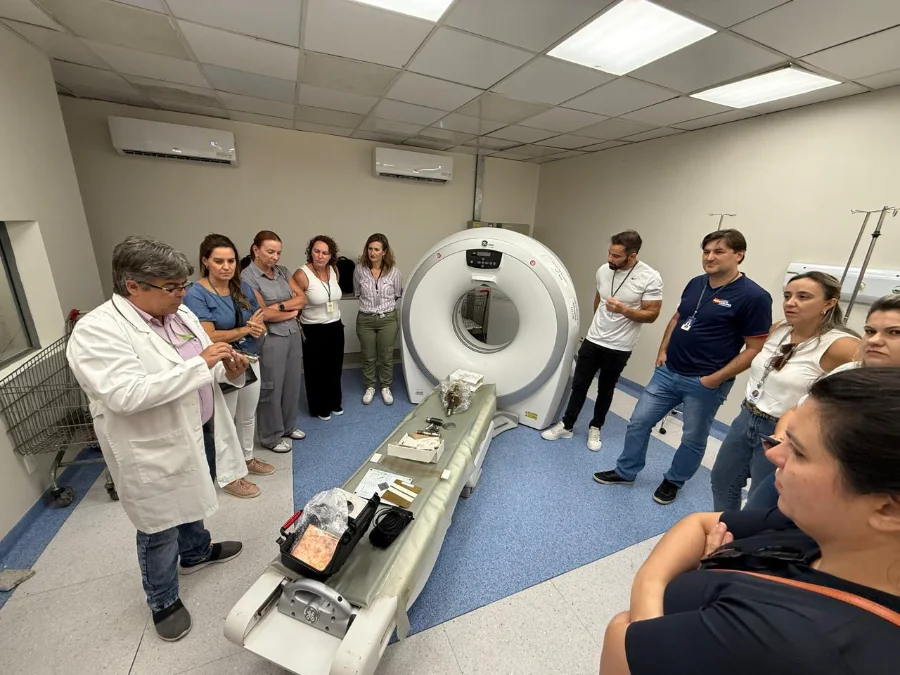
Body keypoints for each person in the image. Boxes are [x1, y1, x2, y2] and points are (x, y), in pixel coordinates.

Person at [599, 367, 900, 675]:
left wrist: (651, 625)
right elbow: (699, 524)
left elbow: (620, 635)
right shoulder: (821, 530)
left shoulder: (782, 638)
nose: (774, 454)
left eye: (799, 451)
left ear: (887, 510)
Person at [66, 236, 248, 642]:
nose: (183, 293)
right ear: (133, 285)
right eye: (172, 287)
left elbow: (205, 366)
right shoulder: (96, 331)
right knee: (159, 523)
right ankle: (163, 599)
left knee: (193, 492)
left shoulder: (178, 314)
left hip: (196, 425)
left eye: (182, 284)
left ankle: (197, 552)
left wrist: (228, 369)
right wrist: (201, 366)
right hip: (151, 444)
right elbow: (124, 394)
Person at [594, 229, 772, 505]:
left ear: (739, 255)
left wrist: (715, 379)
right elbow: (678, 318)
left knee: (693, 437)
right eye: (706, 251)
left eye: (718, 251)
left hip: (705, 380)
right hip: (668, 371)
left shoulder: (754, 297)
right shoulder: (696, 283)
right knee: (638, 422)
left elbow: (754, 348)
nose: (709, 257)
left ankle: (673, 480)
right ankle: (626, 470)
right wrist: (663, 349)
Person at [709, 272, 858, 511]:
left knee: (762, 498)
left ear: (829, 303)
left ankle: (748, 544)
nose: (790, 302)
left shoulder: (841, 345)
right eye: (787, 296)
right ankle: (728, 529)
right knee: (722, 480)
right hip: (747, 416)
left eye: (803, 297)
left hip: (783, 431)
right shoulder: (779, 329)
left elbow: (866, 387)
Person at [745, 293, 900, 510]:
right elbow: (799, 409)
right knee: (750, 516)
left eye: (894, 332)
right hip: (797, 467)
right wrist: (783, 438)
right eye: (870, 331)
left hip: (845, 499)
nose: (874, 340)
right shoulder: (848, 371)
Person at [542, 230, 662, 450]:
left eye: (616, 256)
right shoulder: (603, 271)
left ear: (632, 256)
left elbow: (652, 314)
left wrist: (624, 310)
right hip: (593, 340)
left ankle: (596, 427)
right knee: (579, 385)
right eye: (609, 253)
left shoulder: (650, 277)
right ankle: (567, 426)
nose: (610, 259)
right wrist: (599, 325)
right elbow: (598, 299)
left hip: (620, 347)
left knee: (605, 389)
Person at [185, 234, 276, 496]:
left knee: (248, 416)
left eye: (231, 261)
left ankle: (247, 458)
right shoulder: (196, 294)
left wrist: (256, 330)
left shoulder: (243, 288)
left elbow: (258, 321)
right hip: (222, 364)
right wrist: (245, 329)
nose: (226, 266)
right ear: (205, 261)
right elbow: (210, 335)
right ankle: (230, 476)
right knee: (223, 424)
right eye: (219, 261)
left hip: (249, 358)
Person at [241, 230, 306, 452]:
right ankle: (270, 436)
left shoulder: (283, 271)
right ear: (256, 250)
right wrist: (289, 309)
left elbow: (302, 298)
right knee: (271, 386)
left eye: (278, 252)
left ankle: (289, 426)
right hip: (270, 338)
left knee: (292, 384)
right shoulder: (247, 277)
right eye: (270, 252)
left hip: (293, 334)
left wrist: (278, 307)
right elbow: (262, 314)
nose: (275, 257)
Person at [293, 235, 345, 420]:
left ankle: (334, 402)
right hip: (313, 329)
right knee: (316, 371)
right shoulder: (301, 274)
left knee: (335, 367)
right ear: (311, 252)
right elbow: (296, 305)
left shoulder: (334, 270)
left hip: (335, 326)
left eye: (325, 253)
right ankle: (319, 407)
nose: (320, 256)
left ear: (331, 255)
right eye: (317, 251)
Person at [354, 233, 403, 406]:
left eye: (376, 249)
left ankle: (385, 386)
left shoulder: (394, 272)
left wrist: (382, 308)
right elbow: (357, 292)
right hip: (365, 319)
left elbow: (397, 294)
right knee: (368, 356)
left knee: (386, 355)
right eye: (370, 248)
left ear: (384, 252)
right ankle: (370, 386)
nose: (372, 252)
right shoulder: (359, 270)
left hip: (387, 319)